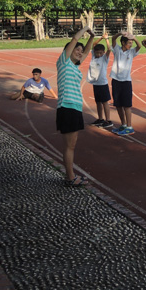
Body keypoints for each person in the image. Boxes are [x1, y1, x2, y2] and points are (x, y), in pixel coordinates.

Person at [57, 26, 96, 186]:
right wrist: (85, 29)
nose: (79, 52)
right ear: (68, 51)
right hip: (67, 107)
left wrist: (92, 37)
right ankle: (70, 177)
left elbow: (86, 51)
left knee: (71, 145)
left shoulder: (74, 66)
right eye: (76, 50)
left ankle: (70, 175)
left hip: (75, 108)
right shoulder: (63, 62)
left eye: (80, 50)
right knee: (70, 146)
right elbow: (74, 40)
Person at [110, 31, 142, 136]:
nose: (131, 44)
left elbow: (139, 45)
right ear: (123, 43)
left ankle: (129, 126)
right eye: (129, 43)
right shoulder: (117, 50)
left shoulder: (131, 52)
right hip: (116, 80)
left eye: (131, 43)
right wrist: (119, 33)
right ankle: (123, 124)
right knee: (118, 105)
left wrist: (133, 38)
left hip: (126, 82)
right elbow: (113, 39)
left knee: (127, 105)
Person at [86, 34, 113, 128]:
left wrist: (106, 39)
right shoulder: (94, 57)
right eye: (97, 52)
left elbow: (109, 49)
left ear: (103, 52)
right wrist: (101, 37)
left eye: (101, 52)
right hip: (95, 83)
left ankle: (108, 120)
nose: (98, 54)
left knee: (105, 102)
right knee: (98, 102)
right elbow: (93, 44)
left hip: (103, 84)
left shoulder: (104, 58)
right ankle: (100, 118)